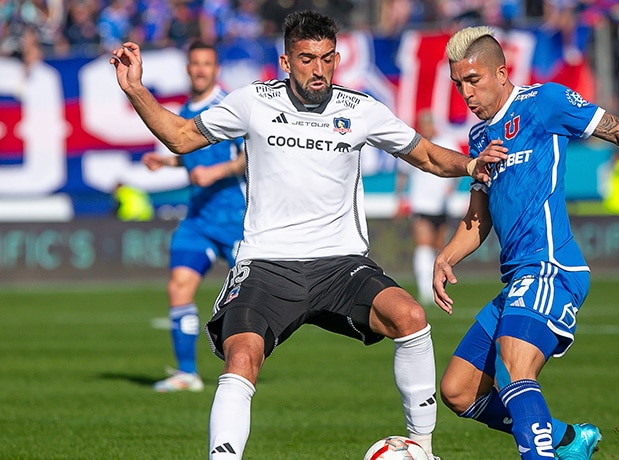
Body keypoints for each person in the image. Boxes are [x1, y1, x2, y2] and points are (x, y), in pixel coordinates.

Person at [109, 10, 504, 459]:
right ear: (285, 62)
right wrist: (136, 89)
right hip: (268, 264)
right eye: (307, 59)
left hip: (340, 265)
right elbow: (180, 137)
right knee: (242, 359)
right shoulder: (253, 102)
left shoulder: (360, 110)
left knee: (411, 317)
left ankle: (422, 449)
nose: (319, 70)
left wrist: (471, 164)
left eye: (328, 59)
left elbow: (427, 155)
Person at [433, 26, 619, 460]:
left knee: (515, 365)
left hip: (550, 267)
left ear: (501, 72)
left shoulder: (545, 104)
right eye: (457, 83)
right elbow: (479, 217)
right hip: (517, 278)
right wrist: (446, 256)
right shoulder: (481, 139)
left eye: (473, 80)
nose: (465, 92)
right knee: (459, 391)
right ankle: (569, 440)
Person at [140, 41, 247, 393]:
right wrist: (166, 161)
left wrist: (218, 173)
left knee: (252, 300)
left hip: (237, 221)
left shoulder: (231, 106)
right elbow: (191, 158)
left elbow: (251, 157)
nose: (201, 69)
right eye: (195, 63)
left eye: (207, 64)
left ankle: (244, 369)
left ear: (216, 69)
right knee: (179, 286)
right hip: (199, 219)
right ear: (188, 69)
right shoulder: (186, 111)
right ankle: (187, 373)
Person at [395, 110, 461, 305]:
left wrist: (452, 187)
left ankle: (436, 285)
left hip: (442, 205)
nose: (427, 128)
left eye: (429, 124)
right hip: (421, 205)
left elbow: (457, 167)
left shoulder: (447, 143)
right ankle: (425, 290)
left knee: (438, 247)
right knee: (423, 245)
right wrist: (399, 199)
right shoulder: (413, 145)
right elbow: (402, 175)